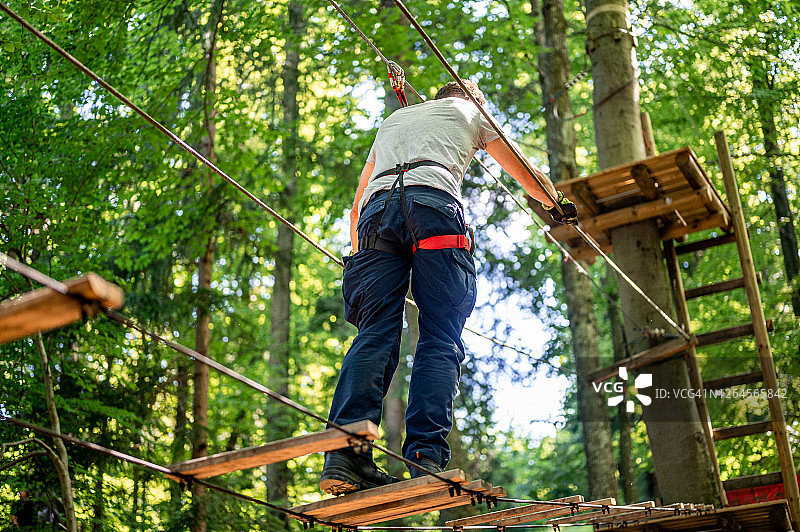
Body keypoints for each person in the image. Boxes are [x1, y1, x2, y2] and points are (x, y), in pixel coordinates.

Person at [319, 79, 577, 495]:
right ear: (474, 99)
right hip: (434, 208)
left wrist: (364, 255)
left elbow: (356, 207)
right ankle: (425, 459)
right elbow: (525, 173)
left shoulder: (394, 119)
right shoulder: (473, 113)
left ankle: (345, 458)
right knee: (440, 336)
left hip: (375, 218)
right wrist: (555, 203)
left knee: (375, 332)